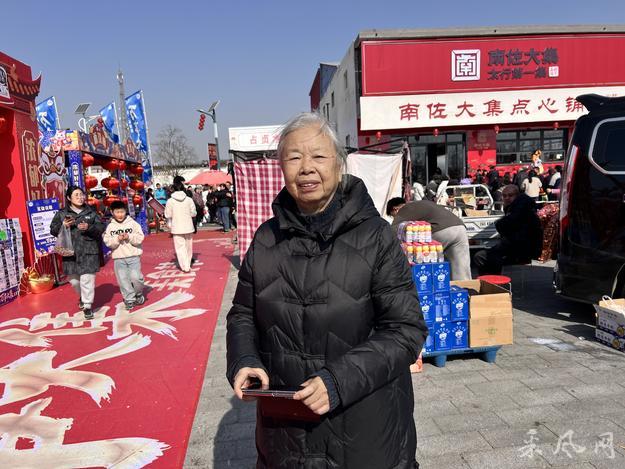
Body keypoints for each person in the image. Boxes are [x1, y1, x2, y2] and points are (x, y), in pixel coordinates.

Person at [227, 113, 428, 469]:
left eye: (318, 156)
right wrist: (245, 360)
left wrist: (338, 380)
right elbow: (243, 313)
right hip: (285, 433)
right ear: (281, 167)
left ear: (339, 164)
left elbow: (405, 330)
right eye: (294, 157)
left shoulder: (376, 237)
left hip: (366, 429)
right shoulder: (266, 239)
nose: (306, 168)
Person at [50, 186, 105, 319]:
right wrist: (64, 226)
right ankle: (82, 296)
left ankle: (87, 305)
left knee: (87, 279)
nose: (80, 197)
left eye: (81, 194)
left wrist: (89, 227)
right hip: (70, 253)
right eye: (76, 195)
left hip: (89, 251)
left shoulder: (91, 211)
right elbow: (53, 230)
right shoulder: (62, 213)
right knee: (74, 281)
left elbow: (101, 227)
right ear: (69, 198)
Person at [387, 197, 472, 280]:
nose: (394, 217)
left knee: (422, 259)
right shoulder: (421, 204)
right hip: (460, 228)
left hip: (440, 230)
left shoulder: (404, 210)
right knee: (461, 269)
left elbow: (392, 231)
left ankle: (426, 285)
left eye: (392, 216)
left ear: (395, 209)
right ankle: (465, 287)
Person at [473, 185, 543, 275]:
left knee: (481, 257)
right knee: (483, 256)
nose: (507, 198)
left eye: (510, 195)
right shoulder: (518, 207)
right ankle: (492, 279)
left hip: (521, 250)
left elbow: (508, 226)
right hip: (517, 247)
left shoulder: (521, 209)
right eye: (504, 196)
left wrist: (500, 224)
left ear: (517, 195)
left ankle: (493, 280)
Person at [102, 201, 146, 309]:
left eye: (122, 212)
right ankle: (129, 299)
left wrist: (129, 237)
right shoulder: (110, 227)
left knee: (136, 278)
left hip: (133, 256)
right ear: (112, 212)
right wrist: (117, 239)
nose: (120, 214)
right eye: (117, 212)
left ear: (125, 211)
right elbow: (108, 242)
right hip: (119, 258)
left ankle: (138, 293)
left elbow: (140, 238)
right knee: (123, 279)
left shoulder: (133, 224)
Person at [164, 180, 197, 272]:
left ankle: (185, 266)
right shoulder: (189, 199)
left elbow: (168, 214)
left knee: (180, 248)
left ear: (173, 189)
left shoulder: (170, 201)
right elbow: (193, 213)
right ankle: (188, 263)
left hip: (176, 227)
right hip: (188, 226)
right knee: (188, 247)